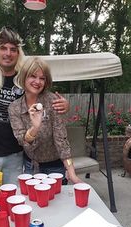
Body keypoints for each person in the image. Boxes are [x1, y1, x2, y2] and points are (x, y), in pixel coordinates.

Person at [0, 27, 70, 227]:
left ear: (18, 53)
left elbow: (45, 96)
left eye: (13, 49)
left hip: (16, 154)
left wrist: (64, 104)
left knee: (15, 200)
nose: (8, 53)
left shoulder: (24, 78)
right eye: (3, 48)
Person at [8, 56, 82, 184]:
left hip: (55, 166)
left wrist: (71, 173)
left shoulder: (53, 101)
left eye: (42, 78)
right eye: (33, 76)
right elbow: (22, 140)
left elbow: (61, 140)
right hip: (30, 166)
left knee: (58, 201)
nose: (37, 81)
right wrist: (35, 128)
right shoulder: (14, 108)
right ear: (24, 77)